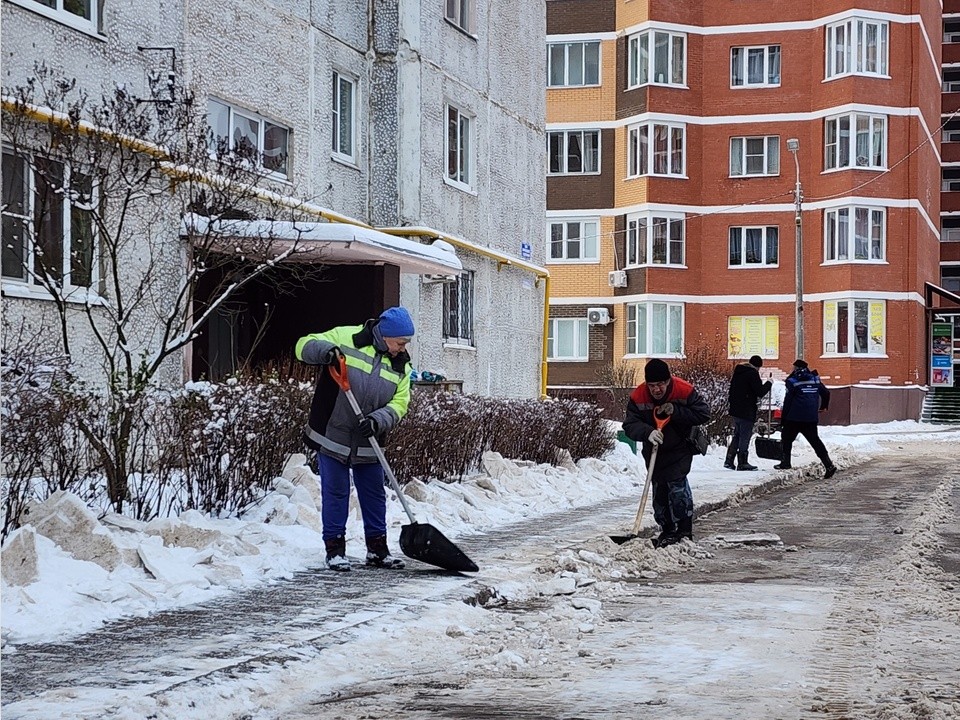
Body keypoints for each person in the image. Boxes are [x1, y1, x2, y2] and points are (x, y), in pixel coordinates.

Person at [296, 306, 415, 571]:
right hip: (334, 431)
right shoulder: (346, 337)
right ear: (385, 335)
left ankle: (377, 550)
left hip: (368, 436)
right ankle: (335, 550)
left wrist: (377, 421)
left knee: (373, 494)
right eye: (400, 342)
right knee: (336, 492)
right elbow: (303, 345)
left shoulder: (401, 365)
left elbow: (400, 402)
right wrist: (324, 352)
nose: (403, 348)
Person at [622, 359, 711, 548]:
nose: (657, 389)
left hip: (680, 446)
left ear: (668, 380)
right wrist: (647, 432)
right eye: (652, 385)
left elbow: (703, 414)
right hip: (655, 449)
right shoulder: (638, 396)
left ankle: (684, 530)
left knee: (677, 485)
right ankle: (667, 529)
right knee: (659, 489)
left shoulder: (684, 390)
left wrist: (676, 411)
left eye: (661, 384)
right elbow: (630, 425)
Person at [774, 359, 837, 479]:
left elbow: (788, 402)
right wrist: (823, 406)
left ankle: (785, 462)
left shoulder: (792, 381)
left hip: (794, 418)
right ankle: (828, 465)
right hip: (810, 418)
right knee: (815, 442)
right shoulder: (815, 379)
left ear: (796, 369)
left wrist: (783, 419)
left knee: (786, 439)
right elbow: (826, 393)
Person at [724, 355, 773, 471]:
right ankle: (742, 462)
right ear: (758, 366)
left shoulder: (739, 372)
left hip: (735, 410)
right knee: (744, 436)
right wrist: (769, 383)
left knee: (737, 435)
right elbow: (760, 392)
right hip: (746, 410)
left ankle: (729, 460)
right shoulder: (752, 374)